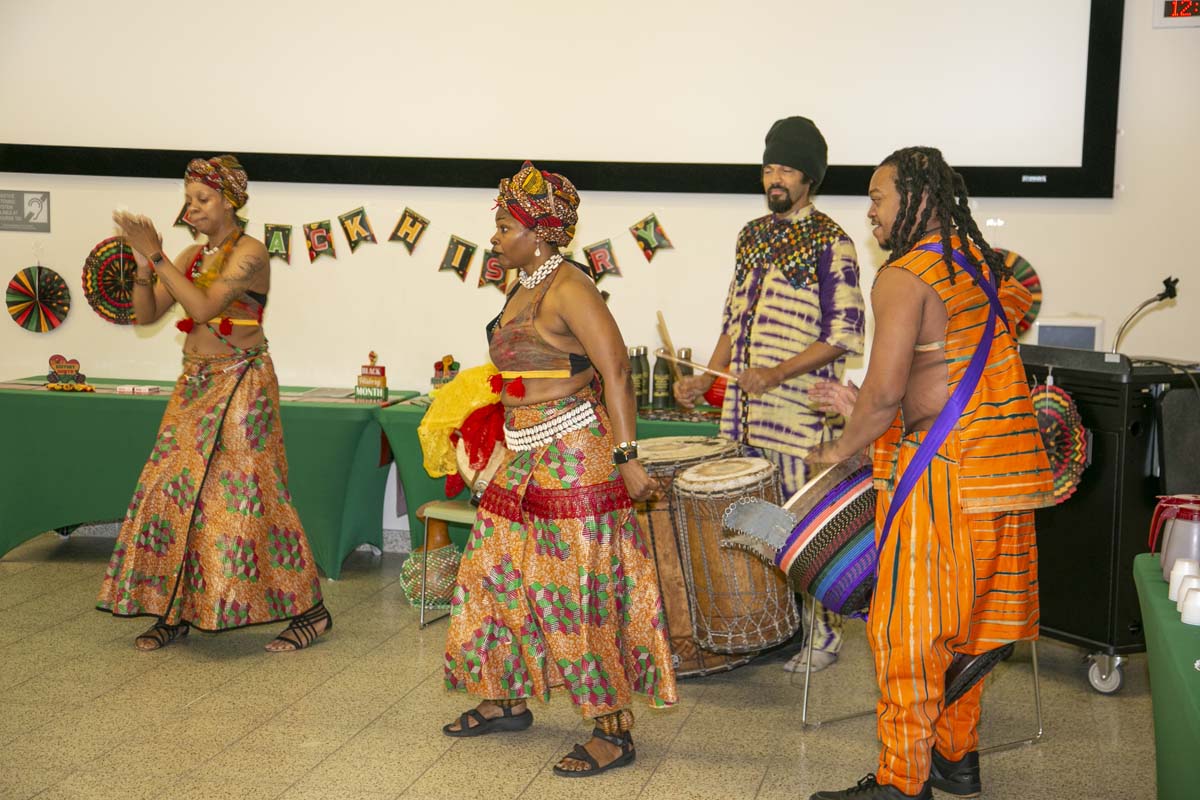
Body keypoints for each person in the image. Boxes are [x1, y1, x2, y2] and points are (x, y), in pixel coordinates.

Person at [806, 147, 1054, 800]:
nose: (871, 211)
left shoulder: (905, 274)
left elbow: (890, 395)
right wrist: (860, 407)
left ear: (915, 198)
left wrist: (839, 452)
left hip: (944, 473)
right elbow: (935, 378)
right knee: (970, 630)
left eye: (878, 197)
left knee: (908, 632)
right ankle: (954, 758)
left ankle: (900, 781)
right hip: (999, 474)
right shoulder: (975, 268)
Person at [441, 162, 677, 776]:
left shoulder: (569, 286)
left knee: (573, 591)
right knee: (490, 573)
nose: (494, 238)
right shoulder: (524, 284)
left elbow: (617, 369)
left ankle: (613, 728)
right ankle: (506, 696)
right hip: (521, 453)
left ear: (539, 232)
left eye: (503, 226)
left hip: (573, 455)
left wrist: (627, 458)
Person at [97, 155, 331, 653]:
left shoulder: (251, 255)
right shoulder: (188, 257)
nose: (193, 209)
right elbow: (146, 315)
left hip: (243, 381)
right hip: (195, 384)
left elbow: (203, 308)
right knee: (172, 491)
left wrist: (157, 256)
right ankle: (174, 608)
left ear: (230, 201)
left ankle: (311, 611)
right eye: (188, 200)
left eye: (202, 199)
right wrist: (144, 267)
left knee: (250, 497)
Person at [674, 116, 865, 673]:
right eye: (768, 168)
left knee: (804, 521)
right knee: (758, 520)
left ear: (810, 177)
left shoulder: (835, 243)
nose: (774, 178)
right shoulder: (752, 236)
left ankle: (824, 635)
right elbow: (733, 321)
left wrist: (777, 373)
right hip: (746, 413)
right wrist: (707, 379)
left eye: (785, 168)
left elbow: (844, 334)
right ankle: (778, 626)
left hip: (802, 415)